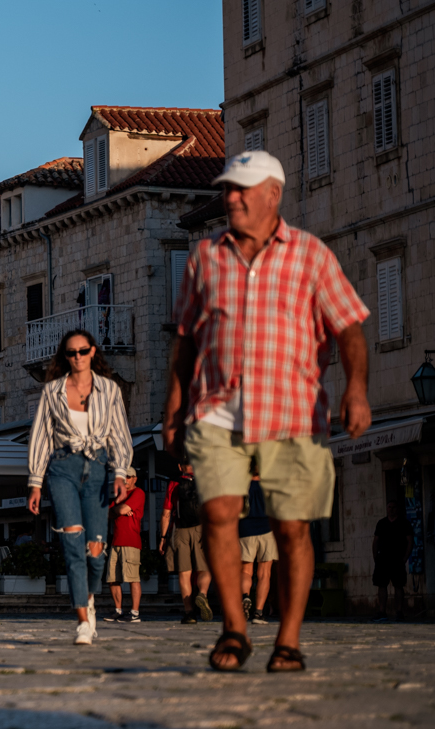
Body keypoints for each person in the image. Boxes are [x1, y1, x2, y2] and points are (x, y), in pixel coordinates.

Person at [163, 150, 370, 673]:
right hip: (218, 408)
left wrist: (357, 390)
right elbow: (185, 341)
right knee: (217, 516)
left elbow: (348, 327)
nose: (231, 198)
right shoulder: (204, 258)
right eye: (229, 189)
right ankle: (234, 630)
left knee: (292, 527)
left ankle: (289, 639)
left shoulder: (311, 255)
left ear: (273, 194)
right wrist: (173, 406)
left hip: (292, 410)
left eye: (243, 190)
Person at [27, 328, 132, 646]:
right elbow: (41, 436)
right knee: (73, 544)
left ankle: (89, 598)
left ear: (92, 352)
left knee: (96, 552)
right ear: (65, 357)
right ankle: (83, 620)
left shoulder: (109, 390)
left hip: (98, 469)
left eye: (82, 351)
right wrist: (35, 482)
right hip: (62, 469)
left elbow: (119, 434)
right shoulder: (52, 391)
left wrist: (120, 473)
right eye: (71, 353)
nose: (77, 357)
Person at [159, 464, 209, 623]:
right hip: (201, 529)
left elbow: (166, 514)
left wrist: (163, 537)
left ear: (180, 466)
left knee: (184, 573)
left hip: (180, 529)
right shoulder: (205, 480)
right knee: (205, 568)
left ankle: (189, 613)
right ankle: (203, 593)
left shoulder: (174, 483)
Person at [105, 468, 144, 623]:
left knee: (133, 577)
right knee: (112, 578)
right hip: (116, 541)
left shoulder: (138, 493)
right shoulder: (120, 495)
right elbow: (108, 513)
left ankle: (134, 613)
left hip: (131, 541)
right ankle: (118, 610)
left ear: (135, 478)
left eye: (128, 477)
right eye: (123, 477)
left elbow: (121, 509)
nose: (125, 480)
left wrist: (119, 509)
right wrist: (118, 510)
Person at [239, 474, 275, 625]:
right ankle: (258, 613)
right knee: (264, 573)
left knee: (246, 571)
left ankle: (245, 595)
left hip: (245, 530)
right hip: (268, 529)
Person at [373, 500, 414, 621]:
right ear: (386, 508)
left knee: (399, 585)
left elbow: (410, 542)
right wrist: (376, 557)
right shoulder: (381, 523)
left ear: (398, 509)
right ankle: (382, 611)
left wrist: (405, 558)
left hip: (397, 559)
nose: (391, 509)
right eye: (389, 507)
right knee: (381, 585)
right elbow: (375, 541)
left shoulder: (404, 523)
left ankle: (399, 611)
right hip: (383, 559)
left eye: (393, 507)